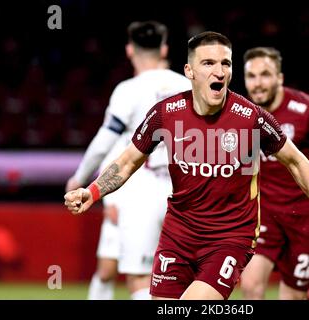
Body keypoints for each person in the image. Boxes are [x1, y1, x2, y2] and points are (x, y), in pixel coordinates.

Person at [64, 31, 309, 300]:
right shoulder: (166, 114)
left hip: (229, 238)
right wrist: (92, 192)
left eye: (225, 63)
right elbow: (128, 161)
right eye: (208, 63)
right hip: (177, 236)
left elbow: (297, 162)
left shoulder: (251, 118)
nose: (220, 71)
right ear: (189, 72)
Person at [65, 20, 191, 300]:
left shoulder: (128, 90)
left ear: (129, 50)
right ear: (164, 49)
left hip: (142, 191)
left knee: (142, 279)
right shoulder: (187, 85)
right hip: (185, 189)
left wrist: (80, 178)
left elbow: (104, 142)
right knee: (183, 278)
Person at [239, 47, 309, 300]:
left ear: (279, 78)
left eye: (265, 75)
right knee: (250, 285)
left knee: (290, 296)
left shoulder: (306, 109)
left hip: (306, 216)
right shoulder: (241, 113)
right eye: (251, 76)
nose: (258, 84)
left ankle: (307, 290)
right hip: (265, 212)